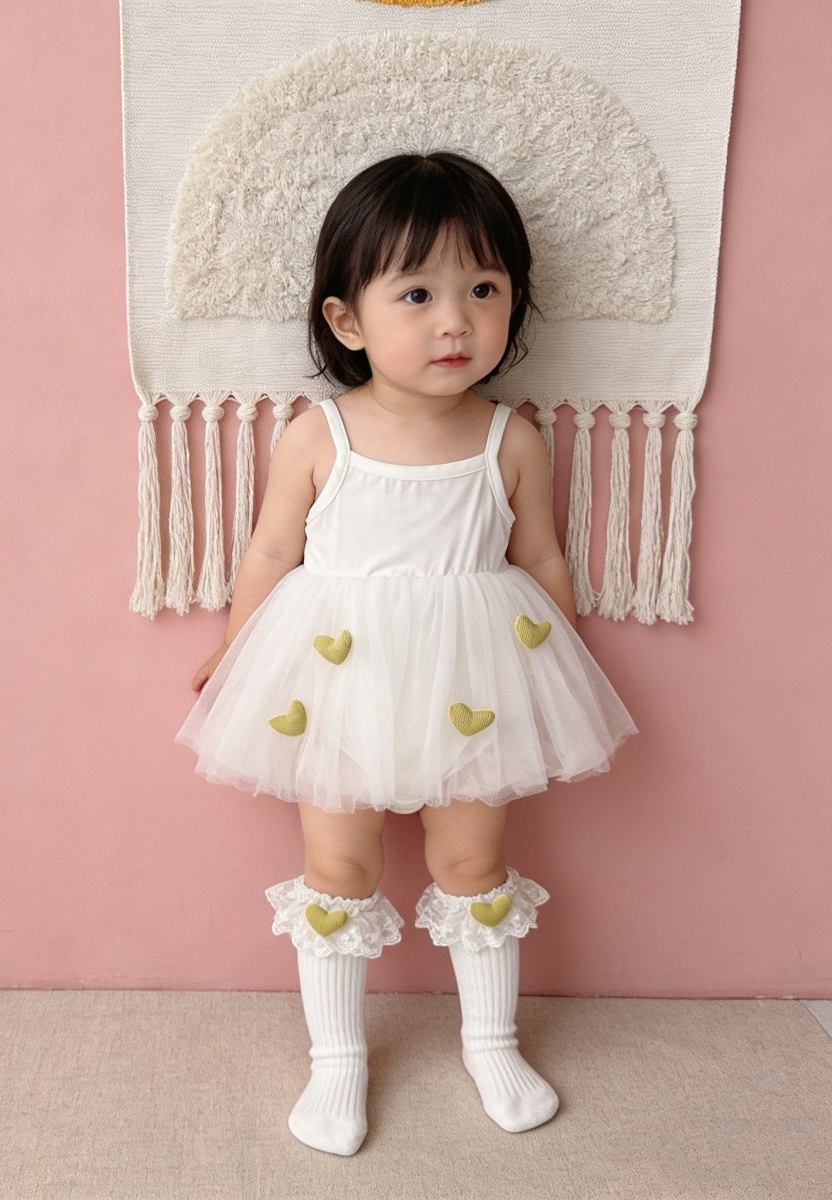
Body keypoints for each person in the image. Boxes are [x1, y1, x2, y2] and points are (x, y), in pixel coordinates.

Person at [177, 152, 635, 1156]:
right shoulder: (320, 436)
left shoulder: (510, 440)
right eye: (418, 294)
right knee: (337, 866)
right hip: (336, 686)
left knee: (473, 859)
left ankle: (491, 1042)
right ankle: (337, 1060)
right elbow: (271, 551)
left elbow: (541, 558)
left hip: (474, 686)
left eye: (484, 289)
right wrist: (235, 649)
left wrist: (561, 673)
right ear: (348, 321)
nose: (454, 322)